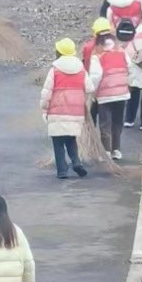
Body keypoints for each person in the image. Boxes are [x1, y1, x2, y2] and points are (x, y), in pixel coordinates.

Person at [40, 37, 97, 180]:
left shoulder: (55, 70)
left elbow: (47, 92)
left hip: (57, 111)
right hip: (75, 112)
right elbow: (90, 87)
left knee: (58, 142)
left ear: (59, 52)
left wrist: (44, 107)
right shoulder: (80, 69)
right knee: (71, 139)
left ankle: (62, 171)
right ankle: (76, 162)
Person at [88, 18, 130, 160]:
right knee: (117, 122)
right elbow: (130, 68)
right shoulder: (122, 51)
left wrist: (92, 92)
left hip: (105, 96)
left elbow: (96, 76)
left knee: (105, 124)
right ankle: (116, 150)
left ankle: (105, 151)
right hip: (122, 94)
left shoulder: (97, 56)